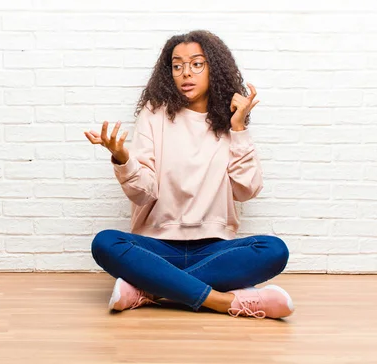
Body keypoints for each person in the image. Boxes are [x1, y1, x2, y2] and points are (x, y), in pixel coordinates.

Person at [84, 30, 293, 319]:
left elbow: (247, 190)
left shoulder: (229, 121)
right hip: (157, 246)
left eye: (197, 64)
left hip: (214, 249)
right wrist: (122, 157)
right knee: (105, 242)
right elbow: (144, 193)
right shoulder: (154, 114)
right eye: (177, 65)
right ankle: (224, 302)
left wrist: (239, 128)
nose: (186, 73)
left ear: (213, 68)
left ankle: (151, 290)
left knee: (274, 249)